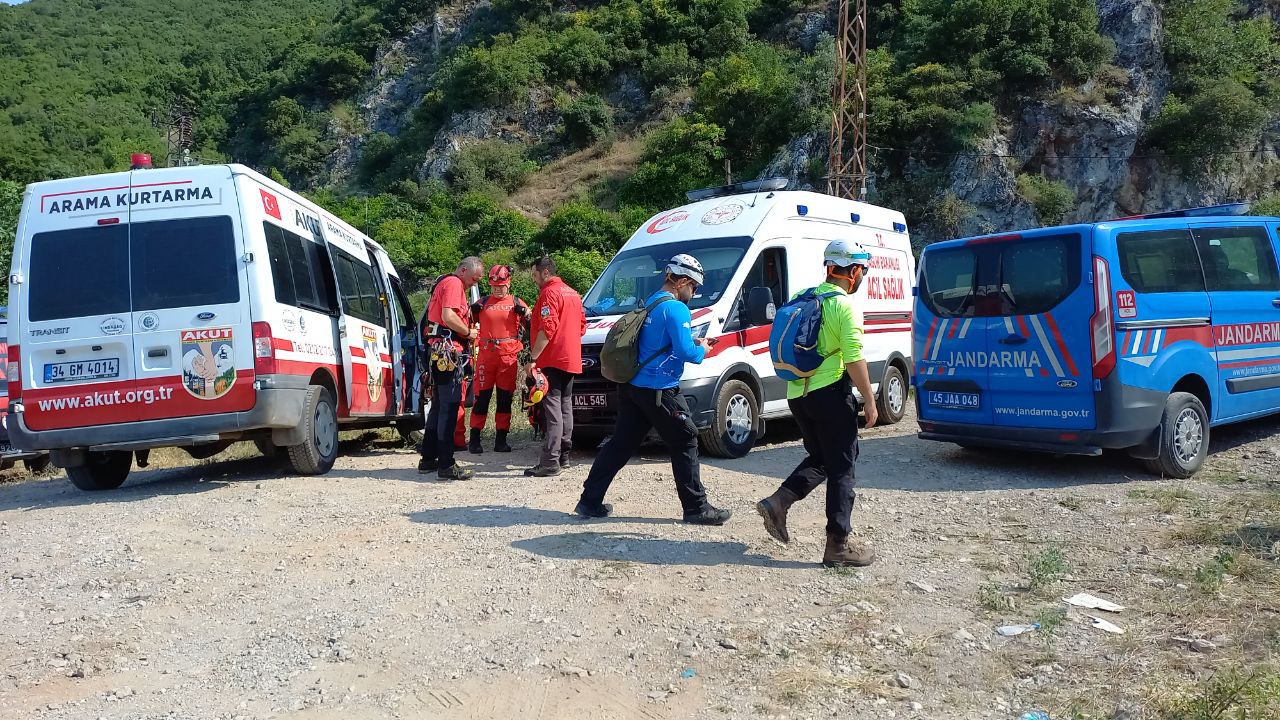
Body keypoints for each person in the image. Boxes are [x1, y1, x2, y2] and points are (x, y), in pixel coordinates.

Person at [575, 254, 732, 526]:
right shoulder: (677, 309)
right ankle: (697, 508)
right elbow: (687, 353)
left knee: (620, 444)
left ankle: (589, 501)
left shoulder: (650, 302)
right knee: (686, 440)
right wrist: (702, 349)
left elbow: (656, 340)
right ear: (682, 281)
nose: (693, 294)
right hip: (661, 389)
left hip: (633, 386)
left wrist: (686, 341)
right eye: (693, 287)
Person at [756, 239, 878, 567]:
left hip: (797, 395)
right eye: (862, 270)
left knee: (822, 458)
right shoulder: (844, 306)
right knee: (842, 468)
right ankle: (838, 546)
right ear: (852, 271)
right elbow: (854, 358)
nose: (863, 275)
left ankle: (778, 503)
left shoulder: (802, 297)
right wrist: (869, 401)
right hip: (830, 394)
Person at [418, 257, 485, 480]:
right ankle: (446, 464)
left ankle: (428, 458)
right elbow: (448, 315)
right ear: (464, 270)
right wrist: (468, 332)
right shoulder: (455, 283)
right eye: (474, 279)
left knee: (438, 406)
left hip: (437, 350)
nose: (473, 284)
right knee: (449, 406)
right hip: (448, 351)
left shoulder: (444, 283)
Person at [523, 256, 586, 477]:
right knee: (566, 407)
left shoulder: (549, 293)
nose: (534, 279)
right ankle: (564, 456)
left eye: (534, 274)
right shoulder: (573, 293)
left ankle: (550, 461)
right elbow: (581, 327)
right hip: (571, 359)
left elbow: (547, 328)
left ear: (545, 273)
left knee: (552, 410)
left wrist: (533, 358)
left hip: (552, 360)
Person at [467, 265, 530, 454]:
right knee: (481, 399)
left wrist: (526, 314)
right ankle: (475, 439)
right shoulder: (482, 302)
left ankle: (501, 440)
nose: (497, 288)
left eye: (501, 285)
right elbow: (465, 322)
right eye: (494, 285)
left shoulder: (518, 302)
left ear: (508, 283)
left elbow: (533, 326)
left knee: (504, 399)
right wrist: (470, 311)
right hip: (486, 357)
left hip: (508, 357)